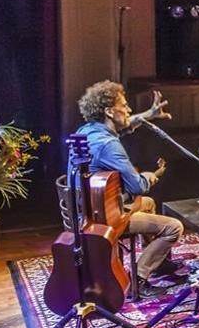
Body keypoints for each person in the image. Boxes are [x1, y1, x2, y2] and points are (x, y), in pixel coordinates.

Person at [73, 81, 182, 298]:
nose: (129, 109)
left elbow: (125, 123)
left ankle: (156, 263)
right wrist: (149, 177)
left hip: (88, 211)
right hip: (106, 220)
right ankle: (139, 280)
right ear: (109, 111)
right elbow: (137, 186)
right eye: (124, 105)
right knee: (174, 227)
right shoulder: (109, 146)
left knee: (148, 205)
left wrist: (148, 114)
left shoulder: (87, 131)